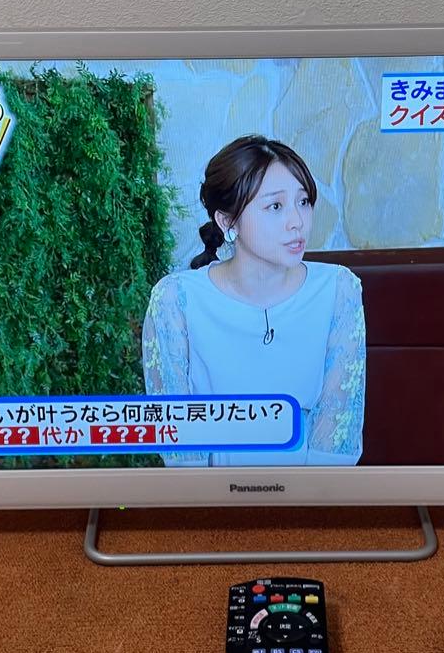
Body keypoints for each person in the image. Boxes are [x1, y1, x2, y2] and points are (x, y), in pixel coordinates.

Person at [142, 135, 366, 467]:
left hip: (313, 490)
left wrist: (308, 496)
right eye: (275, 206)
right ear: (228, 221)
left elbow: (336, 430)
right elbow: (179, 443)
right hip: (208, 492)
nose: (297, 221)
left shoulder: (339, 289)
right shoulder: (175, 300)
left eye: (303, 201)